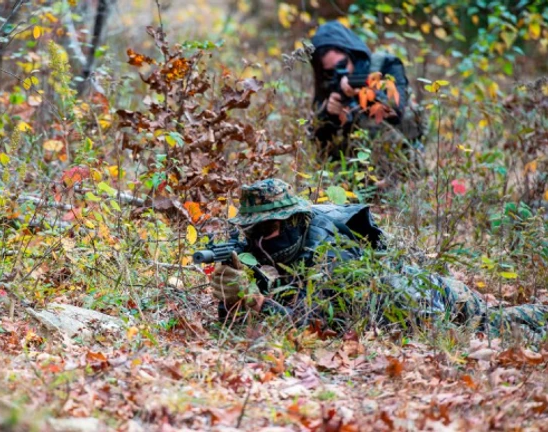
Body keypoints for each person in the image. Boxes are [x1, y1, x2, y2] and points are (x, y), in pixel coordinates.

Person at [210, 178, 548, 340]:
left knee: (502, 326)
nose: (257, 241)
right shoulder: (282, 243)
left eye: (266, 229)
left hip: (435, 301)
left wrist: (256, 301)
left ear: (293, 222)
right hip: (408, 305)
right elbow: (242, 324)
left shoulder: (329, 251)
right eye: (251, 231)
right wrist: (231, 295)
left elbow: (312, 326)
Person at [309, 21, 425, 171]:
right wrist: (329, 115)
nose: (339, 73)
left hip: (399, 162)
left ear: (352, 53)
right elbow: (319, 143)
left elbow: (396, 111)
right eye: (330, 71)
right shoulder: (328, 83)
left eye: (342, 64)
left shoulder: (385, 65)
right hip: (348, 169)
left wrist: (364, 95)